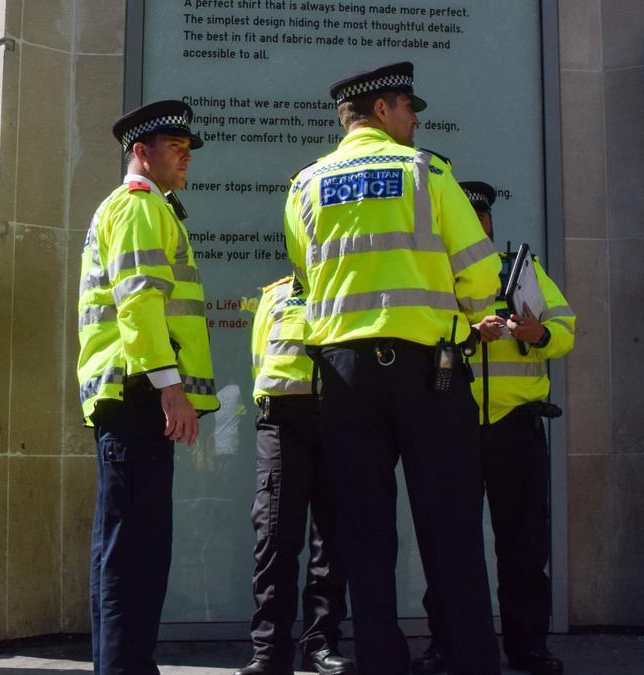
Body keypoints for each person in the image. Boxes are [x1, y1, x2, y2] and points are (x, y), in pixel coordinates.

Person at [284, 62, 503, 675]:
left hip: (345, 375)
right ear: (381, 110)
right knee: (451, 522)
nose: (414, 120)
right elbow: (481, 273)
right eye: (409, 108)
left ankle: (382, 660)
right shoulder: (427, 171)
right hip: (429, 372)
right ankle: (469, 661)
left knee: (364, 528)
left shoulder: (305, 184)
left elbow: (305, 277)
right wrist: (470, 315)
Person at [76, 100, 219, 674]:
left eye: (188, 148)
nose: (186, 157)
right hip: (139, 396)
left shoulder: (142, 207)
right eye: (175, 147)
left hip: (130, 397)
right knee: (135, 551)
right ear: (141, 151)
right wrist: (171, 388)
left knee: (123, 547)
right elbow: (139, 302)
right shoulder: (139, 207)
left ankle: (122, 665)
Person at [411, 182, 575, 675]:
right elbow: (419, 341)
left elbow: (565, 330)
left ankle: (529, 647)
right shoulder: (431, 273)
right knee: (450, 544)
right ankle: (446, 644)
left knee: (524, 545)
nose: (477, 228)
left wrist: (538, 333)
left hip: (516, 427)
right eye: (467, 219)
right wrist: (467, 336)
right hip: (451, 426)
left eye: (481, 219)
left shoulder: (522, 271)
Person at [236, 276, 354, 675]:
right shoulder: (275, 295)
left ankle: (321, 644)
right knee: (274, 536)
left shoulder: (346, 283)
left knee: (332, 539)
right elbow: (260, 361)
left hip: (339, 417)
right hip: (282, 421)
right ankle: (269, 651)